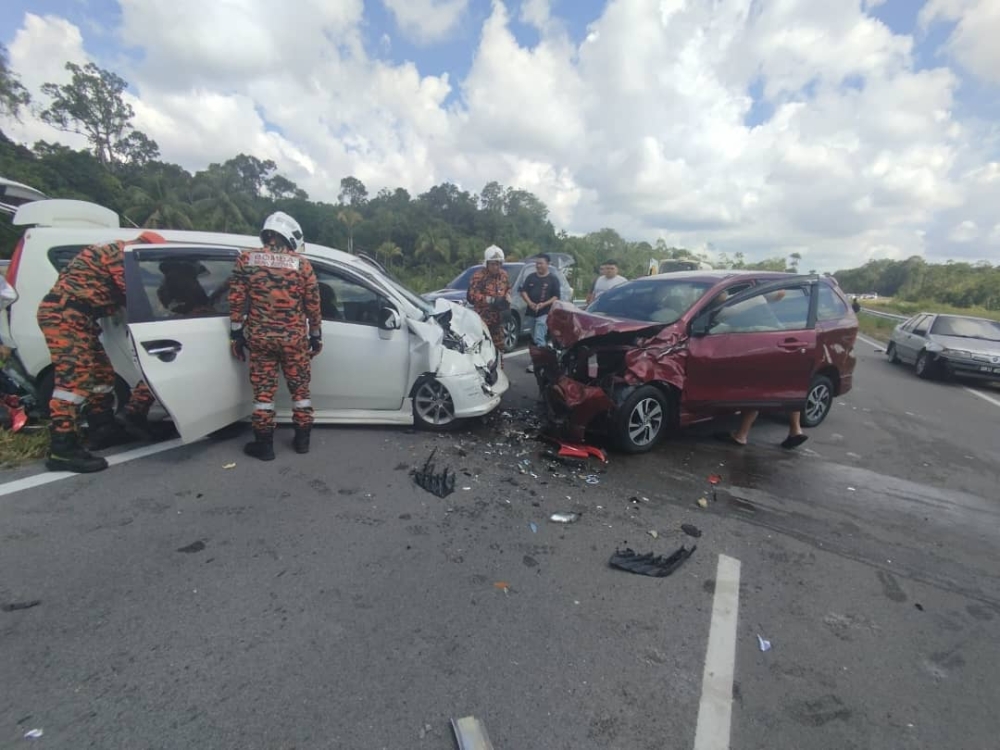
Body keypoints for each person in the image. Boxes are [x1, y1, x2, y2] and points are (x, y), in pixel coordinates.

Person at [37, 231, 170, 473]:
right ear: (144, 247)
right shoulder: (121, 254)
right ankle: (62, 449)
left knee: (102, 375)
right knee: (73, 382)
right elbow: (132, 292)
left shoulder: (115, 251)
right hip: (65, 315)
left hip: (80, 317)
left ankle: (103, 428)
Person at [228, 211, 322, 460]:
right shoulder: (302, 265)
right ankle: (302, 441)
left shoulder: (247, 259)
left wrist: (236, 334)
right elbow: (313, 305)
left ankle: (265, 445)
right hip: (294, 341)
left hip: (261, 339)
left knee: (263, 395)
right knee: (300, 391)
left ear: (267, 233)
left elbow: (236, 300)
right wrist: (316, 336)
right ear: (289, 235)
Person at [466, 245, 511, 358]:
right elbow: (472, 295)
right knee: (483, 350)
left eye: (499, 264)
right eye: (493, 264)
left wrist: (508, 297)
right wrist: (491, 300)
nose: (496, 267)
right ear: (487, 263)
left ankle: (499, 372)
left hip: (498, 320)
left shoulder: (504, 275)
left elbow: (508, 288)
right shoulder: (478, 276)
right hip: (483, 320)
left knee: (499, 349)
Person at [520, 253, 561, 374]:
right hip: (531, 311)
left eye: (541, 263)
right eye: (537, 263)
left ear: (547, 264)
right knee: (534, 337)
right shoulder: (531, 277)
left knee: (539, 335)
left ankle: (539, 363)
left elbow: (556, 296)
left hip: (545, 311)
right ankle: (546, 355)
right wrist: (530, 303)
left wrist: (543, 304)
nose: (538, 266)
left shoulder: (553, 279)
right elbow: (523, 291)